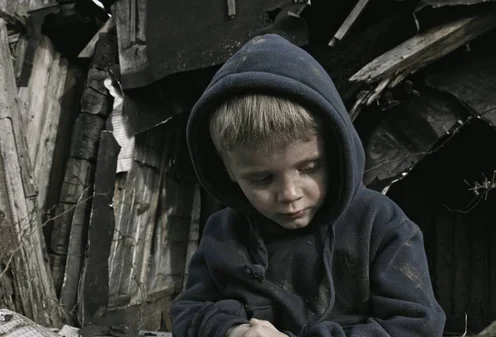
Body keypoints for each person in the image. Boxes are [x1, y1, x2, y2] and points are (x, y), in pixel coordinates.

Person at [169, 34, 446, 337]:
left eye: (309, 168)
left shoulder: (381, 225)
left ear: (336, 154)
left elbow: (417, 326)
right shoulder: (224, 234)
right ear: (229, 172)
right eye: (262, 179)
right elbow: (189, 314)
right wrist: (234, 331)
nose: (290, 194)